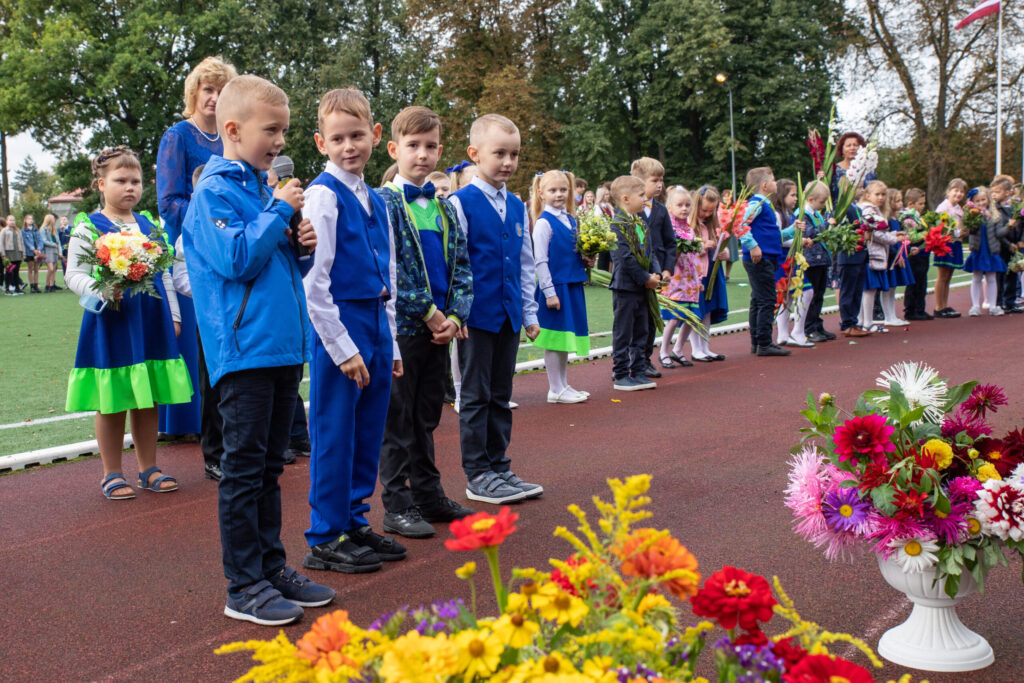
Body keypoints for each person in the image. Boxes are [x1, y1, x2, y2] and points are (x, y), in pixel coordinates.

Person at [183, 74, 333, 626]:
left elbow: (270, 268)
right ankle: (243, 585)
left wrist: (300, 250)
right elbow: (236, 260)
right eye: (271, 130)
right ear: (232, 129)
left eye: (284, 131)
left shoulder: (258, 188)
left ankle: (271, 569)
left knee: (270, 467)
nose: (279, 141)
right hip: (244, 352)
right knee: (245, 472)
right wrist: (276, 212)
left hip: (279, 349)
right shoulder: (215, 192)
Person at [297, 88, 407, 572]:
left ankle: (355, 520)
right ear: (322, 142)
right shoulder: (323, 194)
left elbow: (390, 275)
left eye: (357, 135)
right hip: (339, 324)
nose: (349, 146)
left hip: (376, 322)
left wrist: (392, 340)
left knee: (368, 430)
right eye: (338, 138)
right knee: (335, 432)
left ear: (376, 135)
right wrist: (341, 347)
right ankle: (325, 535)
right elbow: (314, 280)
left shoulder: (377, 198)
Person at [65, 147, 193, 501]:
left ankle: (148, 468)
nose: (129, 187)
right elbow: (72, 274)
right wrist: (102, 291)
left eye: (135, 181)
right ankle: (111, 473)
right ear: (101, 184)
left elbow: (164, 273)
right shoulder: (88, 227)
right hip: (111, 321)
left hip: (150, 321)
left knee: (147, 396)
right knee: (112, 400)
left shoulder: (151, 226)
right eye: (121, 180)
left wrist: (174, 314)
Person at [376, 105, 475, 539]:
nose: (423, 155)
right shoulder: (385, 203)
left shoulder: (446, 208)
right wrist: (430, 312)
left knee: (427, 414)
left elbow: (462, 267)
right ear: (395, 149)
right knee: (397, 418)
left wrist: (455, 315)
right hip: (404, 328)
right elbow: (393, 272)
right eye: (413, 146)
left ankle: (429, 493)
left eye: (431, 146)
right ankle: (397, 503)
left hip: (440, 331)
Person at [448, 114, 542, 504]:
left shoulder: (518, 205)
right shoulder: (459, 202)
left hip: (508, 316)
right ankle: (478, 473)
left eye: (514, 154)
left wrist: (529, 312)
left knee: (501, 393)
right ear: (474, 154)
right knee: (475, 394)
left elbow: (524, 261)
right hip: (476, 318)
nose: (507, 161)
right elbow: (457, 263)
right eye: (499, 153)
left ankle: (499, 466)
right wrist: (459, 312)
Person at [156, 55, 238, 463]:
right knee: (205, 349)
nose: (214, 97)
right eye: (208, 89)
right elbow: (169, 201)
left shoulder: (233, 136)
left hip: (235, 248)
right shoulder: (177, 136)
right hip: (193, 253)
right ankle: (207, 443)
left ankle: (239, 439)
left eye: (222, 90)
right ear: (195, 93)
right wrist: (213, 220)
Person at [532, 169, 591, 402]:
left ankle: (563, 385)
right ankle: (554, 389)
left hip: (572, 285)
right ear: (541, 193)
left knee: (565, 339)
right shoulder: (543, 223)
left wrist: (586, 258)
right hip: (556, 289)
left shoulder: (571, 220)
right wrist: (549, 292)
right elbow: (540, 261)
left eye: (563, 190)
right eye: (553, 190)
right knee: (555, 340)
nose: (559, 194)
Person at [609, 174, 661, 390]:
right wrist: (645, 278)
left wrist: (656, 273)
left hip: (643, 287)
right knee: (624, 331)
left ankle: (638, 370)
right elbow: (625, 258)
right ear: (625, 198)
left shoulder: (640, 221)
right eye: (641, 195)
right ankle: (620, 373)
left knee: (642, 330)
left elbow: (650, 251)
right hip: (626, 287)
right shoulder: (616, 225)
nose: (645, 199)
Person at [740, 167, 789, 356]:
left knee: (758, 299)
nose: (777, 183)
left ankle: (758, 342)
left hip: (766, 256)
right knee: (767, 299)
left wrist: (793, 230)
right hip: (760, 258)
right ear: (765, 185)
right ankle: (764, 342)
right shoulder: (756, 203)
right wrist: (752, 245)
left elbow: (774, 234)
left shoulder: (764, 204)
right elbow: (741, 223)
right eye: (774, 180)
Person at [631, 157, 670, 379]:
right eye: (654, 180)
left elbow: (669, 243)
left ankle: (645, 360)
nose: (659, 185)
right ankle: (628, 362)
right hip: (636, 274)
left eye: (661, 180)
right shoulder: (628, 211)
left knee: (650, 318)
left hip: (656, 273)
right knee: (633, 320)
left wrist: (667, 269)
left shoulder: (662, 210)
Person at [658, 185, 700, 368]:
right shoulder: (669, 230)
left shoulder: (689, 230)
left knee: (691, 317)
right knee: (675, 317)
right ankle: (663, 351)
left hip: (691, 280)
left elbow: (693, 256)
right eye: (680, 205)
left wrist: (699, 278)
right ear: (670, 208)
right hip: (675, 279)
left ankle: (679, 349)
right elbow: (668, 254)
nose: (684, 209)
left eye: (687, 205)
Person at [770, 179, 813, 348]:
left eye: (796, 195)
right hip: (782, 259)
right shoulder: (777, 214)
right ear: (781, 195)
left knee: (786, 296)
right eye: (792, 195)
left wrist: (802, 240)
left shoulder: (789, 214)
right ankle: (795, 331)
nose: (796, 198)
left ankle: (785, 334)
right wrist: (798, 241)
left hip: (790, 258)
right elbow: (779, 238)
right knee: (804, 291)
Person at [857, 180, 903, 332]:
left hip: (874, 253)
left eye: (883, 194)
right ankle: (867, 323)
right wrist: (894, 239)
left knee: (870, 289)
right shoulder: (868, 210)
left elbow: (879, 232)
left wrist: (894, 234)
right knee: (870, 289)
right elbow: (875, 233)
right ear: (868, 195)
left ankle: (863, 320)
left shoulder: (873, 209)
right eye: (878, 194)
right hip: (871, 254)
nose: (881, 197)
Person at [690, 185, 729, 361]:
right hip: (697, 273)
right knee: (697, 310)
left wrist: (724, 253)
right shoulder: (689, 225)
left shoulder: (712, 225)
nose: (706, 214)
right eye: (704, 210)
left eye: (711, 211)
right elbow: (685, 248)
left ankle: (705, 347)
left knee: (708, 310)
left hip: (713, 270)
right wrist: (701, 246)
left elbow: (722, 247)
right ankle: (695, 348)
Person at [962, 186, 1007, 317]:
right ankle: (975, 306)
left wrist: (1009, 226)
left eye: (983, 199)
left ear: (988, 199)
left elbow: (999, 233)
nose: (981, 203)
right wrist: (971, 218)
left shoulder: (994, 215)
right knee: (976, 277)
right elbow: (970, 229)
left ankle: (993, 306)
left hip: (991, 250)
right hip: (978, 249)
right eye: (977, 200)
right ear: (973, 202)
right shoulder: (971, 214)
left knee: (992, 277)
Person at [800, 180, 835, 342]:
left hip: (821, 260)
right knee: (811, 296)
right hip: (810, 261)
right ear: (811, 199)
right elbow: (809, 233)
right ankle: (808, 327)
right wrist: (826, 225)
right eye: (821, 202)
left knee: (819, 294)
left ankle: (817, 324)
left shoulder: (817, 214)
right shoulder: (802, 215)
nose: (823, 205)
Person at [932, 178, 967, 318]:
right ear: (948, 192)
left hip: (955, 243)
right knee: (942, 275)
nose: (958, 194)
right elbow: (942, 227)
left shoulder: (959, 208)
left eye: (962, 192)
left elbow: (960, 226)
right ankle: (938, 307)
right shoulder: (943, 207)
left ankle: (945, 305)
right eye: (956, 190)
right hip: (944, 244)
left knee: (948, 276)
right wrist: (958, 232)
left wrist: (965, 231)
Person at [991, 175, 1024, 313]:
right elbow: (997, 231)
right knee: (1000, 275)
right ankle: (999, 302)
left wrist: (1021, 240)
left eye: (997, 192)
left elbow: (1022, 224)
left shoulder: (1015, 206)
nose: (994, 195)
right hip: (1001, 246)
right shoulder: (995, 209)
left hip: (1015, 244)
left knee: (1012, 273)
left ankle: (1010, 301)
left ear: (1008, 192)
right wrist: (1007, 243)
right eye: (992, 192)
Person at [899, 188, 931, 321]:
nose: (923, 206)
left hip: (922, 254)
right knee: (914, 282)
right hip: (913, 254)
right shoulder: (908, 217)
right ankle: (911, 310)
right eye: (920, 204)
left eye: (924, 203)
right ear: (911, 204)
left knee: (922, 282)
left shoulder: (918, 217)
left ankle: (920, 308)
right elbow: (912, 237)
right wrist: (929, 233)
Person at [883, 189, 913, 326]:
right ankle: (888, 316)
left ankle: (892, 315)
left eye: (901, 200)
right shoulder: (887, 220)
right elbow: (889, 239)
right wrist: (897, 255)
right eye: (897, 200)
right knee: (888, 287)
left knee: (893, 287)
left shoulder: (896, 218)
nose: (901, 203)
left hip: (898, 253)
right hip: (892, 256)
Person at [829, 131, 876, 202]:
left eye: (855, 145)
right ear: (842, 148)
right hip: (837, 211)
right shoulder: (834, 169)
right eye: (848, 145)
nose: (852, 148)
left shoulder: (868, 170)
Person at [1, 215, 25, 295]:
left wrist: (23, 253)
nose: (12, 222)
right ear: (7, 221)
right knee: (9, 271)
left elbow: (21, 242)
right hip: (9, 254)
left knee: (16, 271)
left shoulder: (18, 230)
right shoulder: (4, 231)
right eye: (10, 220)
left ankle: (17, 288)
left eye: (13, 220)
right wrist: (3, 254)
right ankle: (7, 289)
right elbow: (1, 243)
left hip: (17, 253)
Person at [39, 214, 61, 291]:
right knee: (50, 269)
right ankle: (47, 284)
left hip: (55, 250)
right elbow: (44, 241)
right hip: (48, 250)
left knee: (54, 269)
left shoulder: (54, 229)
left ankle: (51, 285)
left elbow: (58, 242)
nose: (54, 220)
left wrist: (60, 251)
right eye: (53, 219)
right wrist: (53, 244)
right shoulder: (43, 229)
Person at [21, 215, 42, 293]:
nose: (31, 220)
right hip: (29, 252)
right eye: (29, 219)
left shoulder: (36, 230)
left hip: (37, 251)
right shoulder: (23, 230)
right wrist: (33, 249)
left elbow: (40, 240)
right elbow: (26, 241)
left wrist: (39, 248)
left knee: (36, 269)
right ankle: (32, 286)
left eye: (32, 219)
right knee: (30, 268)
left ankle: (36, 286)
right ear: (25, 220)